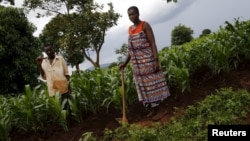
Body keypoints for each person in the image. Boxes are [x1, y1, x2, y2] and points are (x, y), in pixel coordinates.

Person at [119, 6, 171, 119]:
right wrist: (125, 63)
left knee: (154, 85)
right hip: (138, 67)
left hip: (148, 61)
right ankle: (154, 109)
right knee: (146, 88)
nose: (132, 17)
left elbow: (152, 43)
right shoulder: (130, 29)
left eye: (133, 14)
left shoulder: (145, 25)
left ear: (138, 13)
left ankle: (161, 109)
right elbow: (131, 50)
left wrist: (156, 60)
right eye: (129, 15)